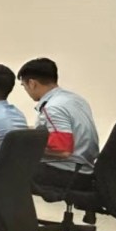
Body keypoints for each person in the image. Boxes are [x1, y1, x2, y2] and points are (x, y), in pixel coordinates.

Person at [17, 58, 99, 190]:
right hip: (85, 169)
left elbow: (62, 151)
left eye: (24, 86)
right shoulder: (75, 99)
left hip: (68, 173)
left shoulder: (52, 108)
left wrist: (23, 148)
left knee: (6, 170)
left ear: (32, 83)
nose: (26, 90)